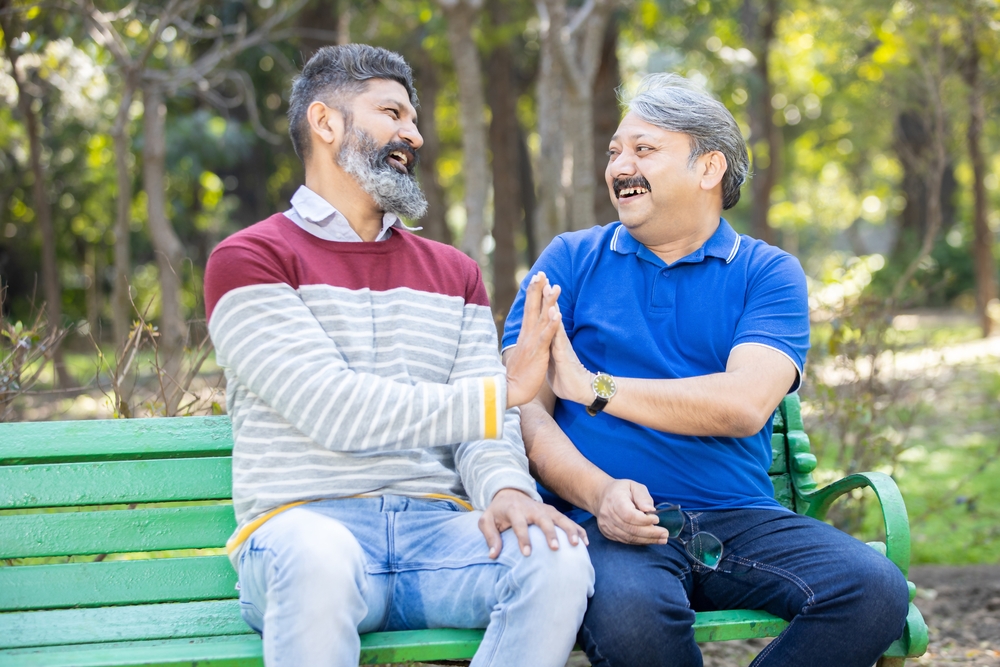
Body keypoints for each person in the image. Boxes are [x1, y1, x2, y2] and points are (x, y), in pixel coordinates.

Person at [204, 44, 593, 667]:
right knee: (318, 560)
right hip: (305, 533)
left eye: (413, 119)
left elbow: (483, 429)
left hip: (437, 535)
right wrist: (504, 392)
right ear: (326, 123)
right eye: (392, 113)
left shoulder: (454, 272)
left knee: (557, 556)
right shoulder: (250, 260)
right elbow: (335, 410)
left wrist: (508, 489)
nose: (412, 134)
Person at [502, 73, 909, 667]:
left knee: (872, 589)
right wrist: (600, 492)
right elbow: (524, 409)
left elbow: (744, 405)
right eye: (615, 151)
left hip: (740, 518)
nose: (620, 166)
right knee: (634, 621)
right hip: (608, 522)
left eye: (644, 149)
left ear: (709, 167)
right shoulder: (570, 260)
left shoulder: (767, 273)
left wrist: (595, 389)